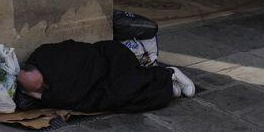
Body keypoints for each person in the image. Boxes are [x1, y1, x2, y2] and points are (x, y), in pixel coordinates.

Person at [16, 39, 195, 113]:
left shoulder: (47, 57)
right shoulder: (40, 71)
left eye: (40, 86)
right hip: (99, 80)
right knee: (116, 100)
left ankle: (168, 73)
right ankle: (168, 89)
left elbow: (68, 96)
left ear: (38, 69)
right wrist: (36, 94)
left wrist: (41, 95)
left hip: (109, 57)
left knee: (125, 85)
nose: (43, 89)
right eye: (37, 89)